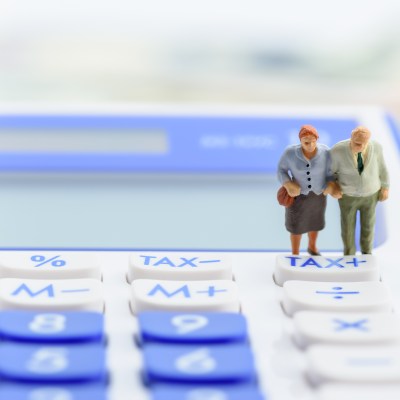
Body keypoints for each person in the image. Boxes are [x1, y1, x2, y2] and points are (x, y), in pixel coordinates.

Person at [277, 125, 338, 255]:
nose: (310, 145)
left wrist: (331, 185)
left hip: (318, 194)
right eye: (306, 142)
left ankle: (312, 247)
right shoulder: (290, 153)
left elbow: (331, 172)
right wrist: (288, 184)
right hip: (297, 196)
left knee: (314, 223)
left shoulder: (326, 152)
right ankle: (295, 253)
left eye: (313, 141)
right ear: (300, 141)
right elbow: (281, 170)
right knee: (296, 227)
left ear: (317, 139)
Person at [330, 126, 389, 255]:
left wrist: (385, 186)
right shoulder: (337, 150)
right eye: (357, 143)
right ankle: (349, 252)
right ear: (351, 138)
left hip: (371, 194)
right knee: (348, 227)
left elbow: (382, 168)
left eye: (364, 143)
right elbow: (329, 173)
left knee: (368, 226)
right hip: (347, 195)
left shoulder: (376, 148)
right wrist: (333, 187)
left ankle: (367, 252)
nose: (361, 146)